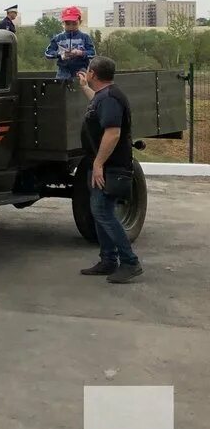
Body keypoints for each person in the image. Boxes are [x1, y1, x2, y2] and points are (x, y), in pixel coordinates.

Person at [77, 56, 142, 283]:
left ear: (94, 73)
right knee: (99, 211)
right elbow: (97, 104)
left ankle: (130, 262)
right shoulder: (105, 96)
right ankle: (108, 260)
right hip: (106, 166)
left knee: (103, 212)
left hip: (111, 167)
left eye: (88, 72)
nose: (87, 73)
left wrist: (98, 164)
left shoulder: (112, 98)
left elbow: (112, 132)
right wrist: (85, 87)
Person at [44, 6, 95, 80]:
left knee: (81, 90)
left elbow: (92, 53)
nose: (71, 27)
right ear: (63, 23)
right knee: (61, 90)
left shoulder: (85, 37)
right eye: (67, 24)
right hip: (63, 72)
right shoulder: (58, 38)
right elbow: (48, 53)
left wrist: (80, 53)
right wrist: (60, 54)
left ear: (80, 22)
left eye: (74, 23)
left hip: (81, 71)